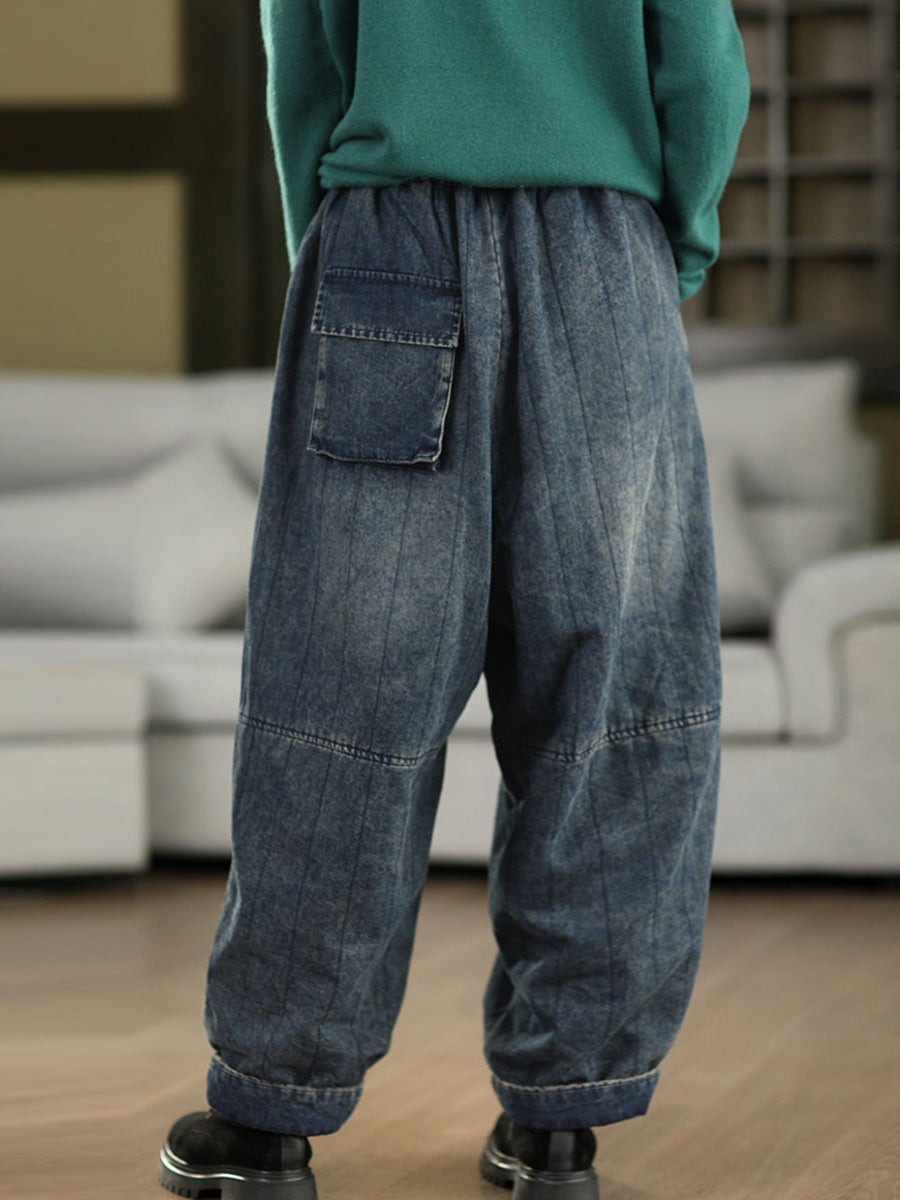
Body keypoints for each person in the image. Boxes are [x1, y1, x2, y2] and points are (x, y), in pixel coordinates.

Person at [157, 3, 750, 1198]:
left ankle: (271, 1117)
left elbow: (303, 62)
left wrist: (327, 245)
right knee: (612, 703)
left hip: (385, 238)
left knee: (340, 700)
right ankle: (560, 1122)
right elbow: (699, 60)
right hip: (608, 251)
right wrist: (670, 248)